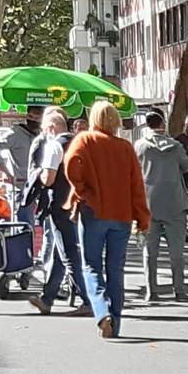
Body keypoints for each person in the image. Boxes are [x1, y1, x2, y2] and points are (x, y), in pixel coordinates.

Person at [65, 101, 151, 337]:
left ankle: (101, 311)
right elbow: (137, 185)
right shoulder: (125, 147)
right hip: (122, 215)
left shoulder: (84, 140)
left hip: (93, 212)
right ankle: (116, 323)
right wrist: (142, 218)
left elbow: (71, 165)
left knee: (91, 265)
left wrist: (82, 191)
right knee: (116, 269)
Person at [24, 108, 79, 314]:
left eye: (45, 128)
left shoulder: (55, 146)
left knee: (68, 254)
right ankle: (47, 298)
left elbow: (48, 179)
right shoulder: (78, 142)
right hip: (76, 203)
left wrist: (38, 174)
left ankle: (89, 299)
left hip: (59, 203)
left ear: (51, 127)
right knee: (60, 252)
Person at [136, 108, 188, 300]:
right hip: (175, 202)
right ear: (162, 124)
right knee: (176, 251)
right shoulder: (176, 146)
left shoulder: (139, 146)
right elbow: (186, 166)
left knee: (149, 250)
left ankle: (151, 291)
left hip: (148, 203)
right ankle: (179, 290)